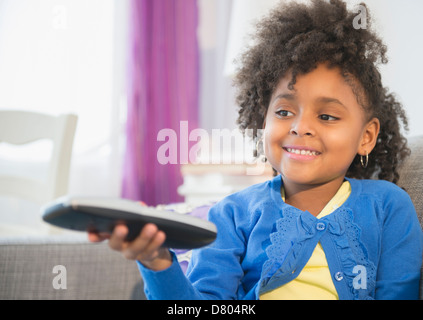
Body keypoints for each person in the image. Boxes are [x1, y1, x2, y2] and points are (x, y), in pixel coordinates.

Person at [89, 0, 423, 300]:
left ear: (366, 136)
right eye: (283, 112)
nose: (300, 126)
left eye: (326, 116)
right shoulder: (233, 214)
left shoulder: (388, 207)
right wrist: (157, 261)